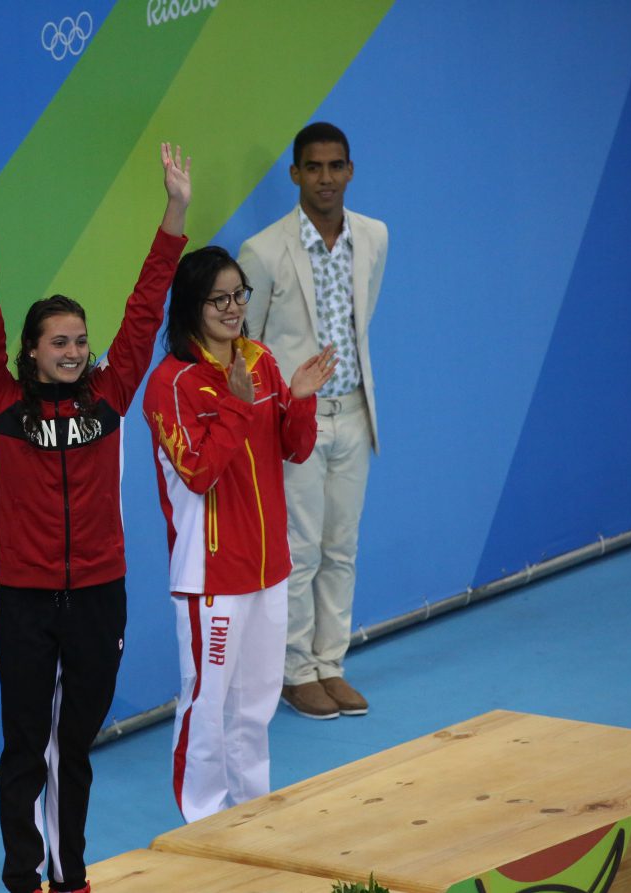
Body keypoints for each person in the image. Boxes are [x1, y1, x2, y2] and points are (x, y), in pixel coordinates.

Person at [0, 145, 190, 893]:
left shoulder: (108, 398)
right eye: (60, 342)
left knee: (73, 744)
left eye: (81, 340)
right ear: (33, 353)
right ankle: (24, 876)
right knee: (24, 746)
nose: (76, 351)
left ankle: (71, 870)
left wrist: (174, 212)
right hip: (25, 600)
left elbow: (145, 309)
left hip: (100, 594)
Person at [142, 245, 336, 822]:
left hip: (268, 566)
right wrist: (235, 406)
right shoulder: (171, 385)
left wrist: (299, 399)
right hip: (211, 574)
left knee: (254, 706)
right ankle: (202, 820)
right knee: (208, 704)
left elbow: (295, 449)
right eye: (218, 298)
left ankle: (253, 812)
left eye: (238, 294)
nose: (232, 308)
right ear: (191, 307)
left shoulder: (260, 360)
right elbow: (199, 472)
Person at [238, 122, 388, 720]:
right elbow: (248, 343)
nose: (325, 178)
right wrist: (278, 413)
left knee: (341, 547)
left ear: (350, 170)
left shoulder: (374, 237)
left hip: (353, 412)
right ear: (295, 173)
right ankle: (295, 671)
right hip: (298, 422)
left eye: (336, 166)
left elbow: (362, 316)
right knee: (298, 551)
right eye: (314, 167)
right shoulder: (264, 250)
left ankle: (331, 664)